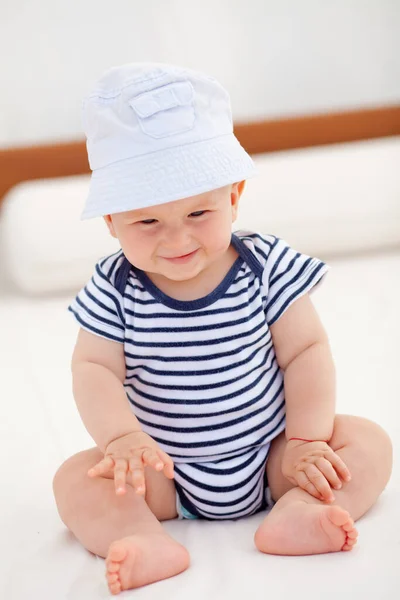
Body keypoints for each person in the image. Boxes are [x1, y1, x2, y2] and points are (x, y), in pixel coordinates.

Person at [53, 63, 393, 596]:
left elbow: (306, 351)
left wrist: (305, 440)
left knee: (367, 442)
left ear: (233, 197)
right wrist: (121, 438)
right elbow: (93, 368)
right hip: (163, 471)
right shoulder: (114, 286)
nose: (176, 238)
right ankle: (142, 537)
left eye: (199, 212)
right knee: (76, 479)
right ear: (111, 223)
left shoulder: (266, 264)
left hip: (275, 458)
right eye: (147, 222)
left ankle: (301, 511)